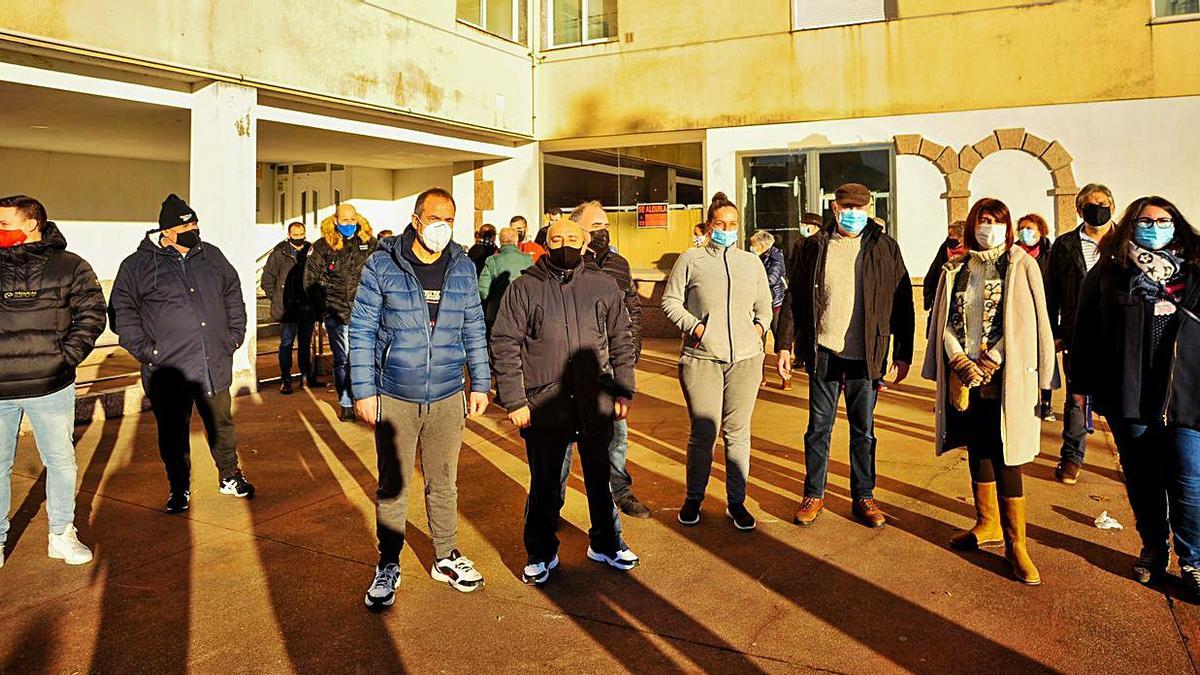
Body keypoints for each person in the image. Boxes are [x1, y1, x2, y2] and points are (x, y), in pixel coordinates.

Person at [350, 187, 491, 607]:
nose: (442, 228)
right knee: (393, 484)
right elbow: (361, 330)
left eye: (449, 219)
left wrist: (480, 382)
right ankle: (389, 562)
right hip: (395, 394)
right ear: (416, 220)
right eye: (434, 219)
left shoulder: (463, 268)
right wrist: (363, 390)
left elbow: (474, 328)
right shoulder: (381, 265)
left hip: (448, 393)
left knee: (444, 483)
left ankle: (446, 555)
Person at [492, 217, 639, 585]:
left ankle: (606, 542)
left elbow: (622, 339)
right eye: (557, 238)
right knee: (545, 484)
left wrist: (623, 389)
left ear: (585, 241)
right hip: (545, 404)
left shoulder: (602, 285)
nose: (565, 244)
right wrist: (514, 400)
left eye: (573, 238)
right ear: (545, 242)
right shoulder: (524, 287)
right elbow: (505, 344)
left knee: (599, 478)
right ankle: (541, 552)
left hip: (595, 401)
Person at [923, 197, 1055, 585]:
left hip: (1005, 375)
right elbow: (944, 320)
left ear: (1007, 226)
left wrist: (993, 359)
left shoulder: (1020, 264)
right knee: (977, 446)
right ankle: (987, 523)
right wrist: (958, 359)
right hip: (964, 374)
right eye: (982, 220)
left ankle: (1018, 546)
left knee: (1007, 454)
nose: (988, 227)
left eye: (996, 221)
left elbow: (1030, 322)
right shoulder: (957, 267)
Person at [1072, 196, 1200, 596]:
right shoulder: (1109, 274)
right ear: (1131, 225)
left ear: (1177, 225)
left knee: (1189, 481)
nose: (1155, 227)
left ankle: (1194, 560)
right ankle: (1153, 551)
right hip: (1131, 394)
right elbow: (1085, 334)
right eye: (1146, 221)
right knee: (1143, 481)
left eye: (1163, 220)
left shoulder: (1197, 274)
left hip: (1187, 396)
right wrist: (1080, 387)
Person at [775, 183, 915, 529]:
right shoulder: (812, 247)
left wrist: (903, 352)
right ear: (834, 209)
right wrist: (783, 345)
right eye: (846, 207)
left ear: (868, 209)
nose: (853, 214)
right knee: (817, 429)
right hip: (823, 350)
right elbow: (794, 298)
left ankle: (864, 496)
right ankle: (813, 493)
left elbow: (902, 300)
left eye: (859, 207)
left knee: (863, 431)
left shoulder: (884, 247)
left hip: (865, 354)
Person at [110, 194, 255, 514]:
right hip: (169, 368)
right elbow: (122, 312)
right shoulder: (137, 266)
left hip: (212, 363)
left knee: (222, 425)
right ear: (167, 231)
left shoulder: (211, 256)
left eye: (195, 222)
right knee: (173, 433)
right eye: (187, 224)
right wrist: (148, 351)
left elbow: (233, 293)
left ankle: (230, 476)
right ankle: (179, 487)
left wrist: (233, 336)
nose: (194, 228)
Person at [0, 195, 105, 567]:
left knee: (60, 462)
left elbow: (92, 313)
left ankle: (61, 534)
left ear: (32, 223)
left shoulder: (70, 266)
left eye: (4, 224)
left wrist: (65, 357)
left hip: (51, 385)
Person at [662, 193, 774, 531]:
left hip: (745, 359)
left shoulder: (751, 262)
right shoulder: (691, 259)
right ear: (709, 225)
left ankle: (736, 502)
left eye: (733, 224)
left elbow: (765, 306)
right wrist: (696, 327)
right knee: (704, 432)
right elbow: (670, 301)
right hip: (702, 359)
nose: (727, 229)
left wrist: (758, 330)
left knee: (738, 432)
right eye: (720, 224)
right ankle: (694, 496)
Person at [565, 200, 649, 519]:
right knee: (562, 443)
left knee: (618, 434)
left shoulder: (619, 264)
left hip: (611, 367)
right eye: (595, 226)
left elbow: (633, 308)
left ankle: (620, 491)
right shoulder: (564, 264)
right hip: (572, 367)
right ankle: (550, 504)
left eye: (605, 225)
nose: (602, 232)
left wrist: (632, 347)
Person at [1048, 184, 1116, 484]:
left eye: (1102, 203)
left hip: (1119, 336)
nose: (1097, 208)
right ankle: (1072, 456)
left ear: (1112, 206)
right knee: (1077, 397)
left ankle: (1131, 456)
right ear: (1079, 210)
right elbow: (1051, 294)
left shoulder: (1127, 244)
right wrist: (1053, 333)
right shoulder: (1064, 246)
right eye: (1090, 204)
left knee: (1122, 398)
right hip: (1078, 334)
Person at [305, 203, 377, 422]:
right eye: (344, 220)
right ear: (336, 220)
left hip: (365, 312)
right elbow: (311, 280)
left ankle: (367, 398)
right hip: (336, 312)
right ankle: (346, 401)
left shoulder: (369, 243)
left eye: (352, 220)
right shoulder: (323, 246)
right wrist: (323, 309)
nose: (349, 224)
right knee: (343, 359)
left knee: (366, 357)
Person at [261, 221, 320, 395]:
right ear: (289, 235)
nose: (299, 237)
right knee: (286, 344)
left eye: (302, 233)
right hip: (287, 310)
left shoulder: (312, 251)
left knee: (305, 344)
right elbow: (267, 280)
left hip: (306, 308)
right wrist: (279, 298)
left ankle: (306, 377)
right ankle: (286, 379)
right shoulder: (279, 253)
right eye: (295, 234)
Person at [1016, 213, 1058, 419]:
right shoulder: (1012, 255)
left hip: (1046, 314)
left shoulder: (1050, 255)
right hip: (1020, 315)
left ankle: (1046, 402)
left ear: (1041, 231)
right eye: (1022, 228)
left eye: (1030, 228)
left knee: (1045, 359)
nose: (1025, 232)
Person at [478, 226, 532, 335]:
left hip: (497, 312)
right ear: (516, 240)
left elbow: (483, 291)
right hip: (523, 312)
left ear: (500, 241)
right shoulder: (528, 259)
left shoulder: (492, 260)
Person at [922, 221, 967, 322]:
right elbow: (933, 273)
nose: (949, 238)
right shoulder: (944, 248)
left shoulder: (971, 252)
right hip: (943, 297)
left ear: (962, 238)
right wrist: (928, 298)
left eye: (952, 236)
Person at [750, 230, 787, 343]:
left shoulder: (776, 258)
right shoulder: (757, 257)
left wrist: (753, 283)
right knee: (759, 330)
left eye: (753, 245)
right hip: (760, 301)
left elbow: (771, 279)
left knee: (778, 332)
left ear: (761, 246)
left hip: (775, 301)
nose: (751, 248)